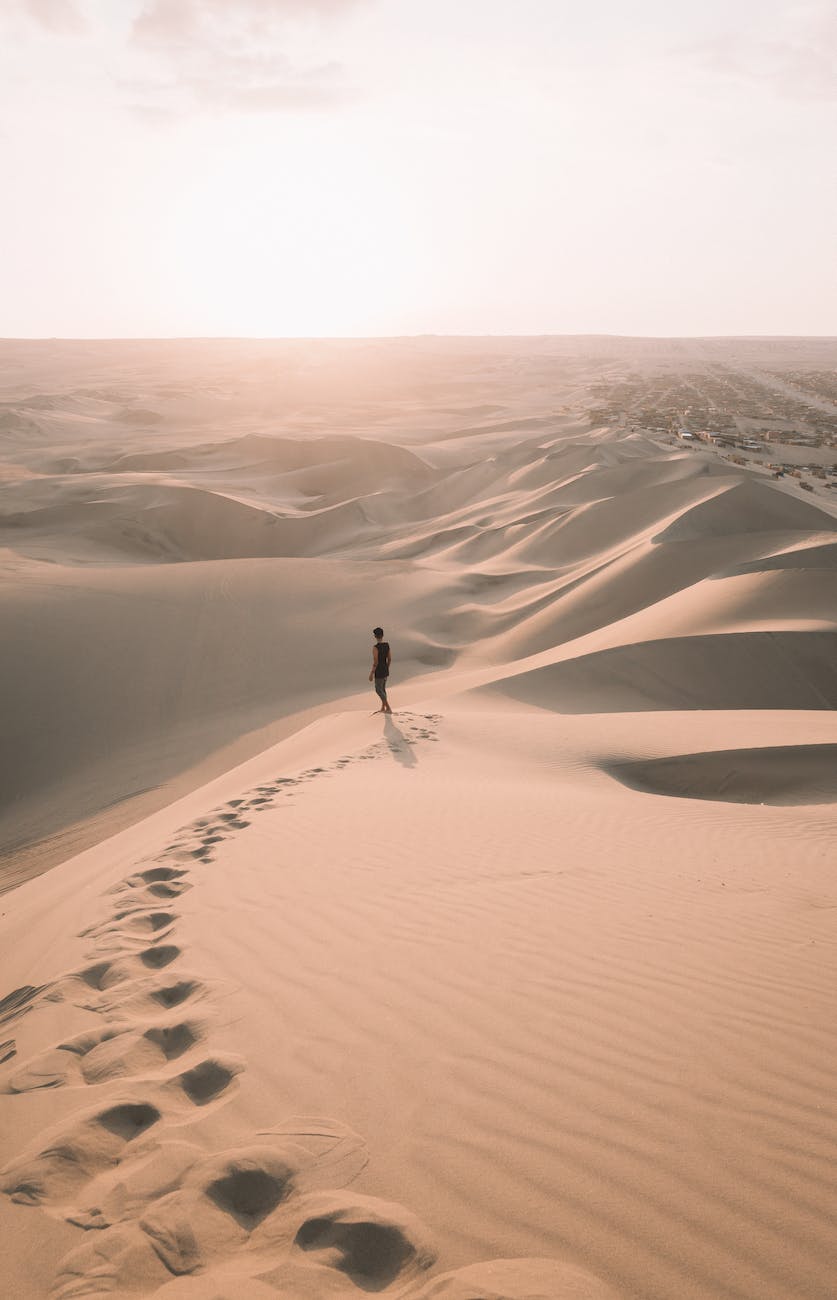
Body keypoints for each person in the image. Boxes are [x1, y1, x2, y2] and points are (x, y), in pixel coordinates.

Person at [369, 627, 392, 713]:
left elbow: (376, 662)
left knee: (378, 690)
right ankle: (383, 707)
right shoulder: (387, 645)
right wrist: (387, 668)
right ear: (382, 635)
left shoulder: (375, 648)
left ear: (375, 636)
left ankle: (388, 707)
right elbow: (389, 658)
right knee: (383, 689)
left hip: (379, 671)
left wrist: (371, 673)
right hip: (385, 669)